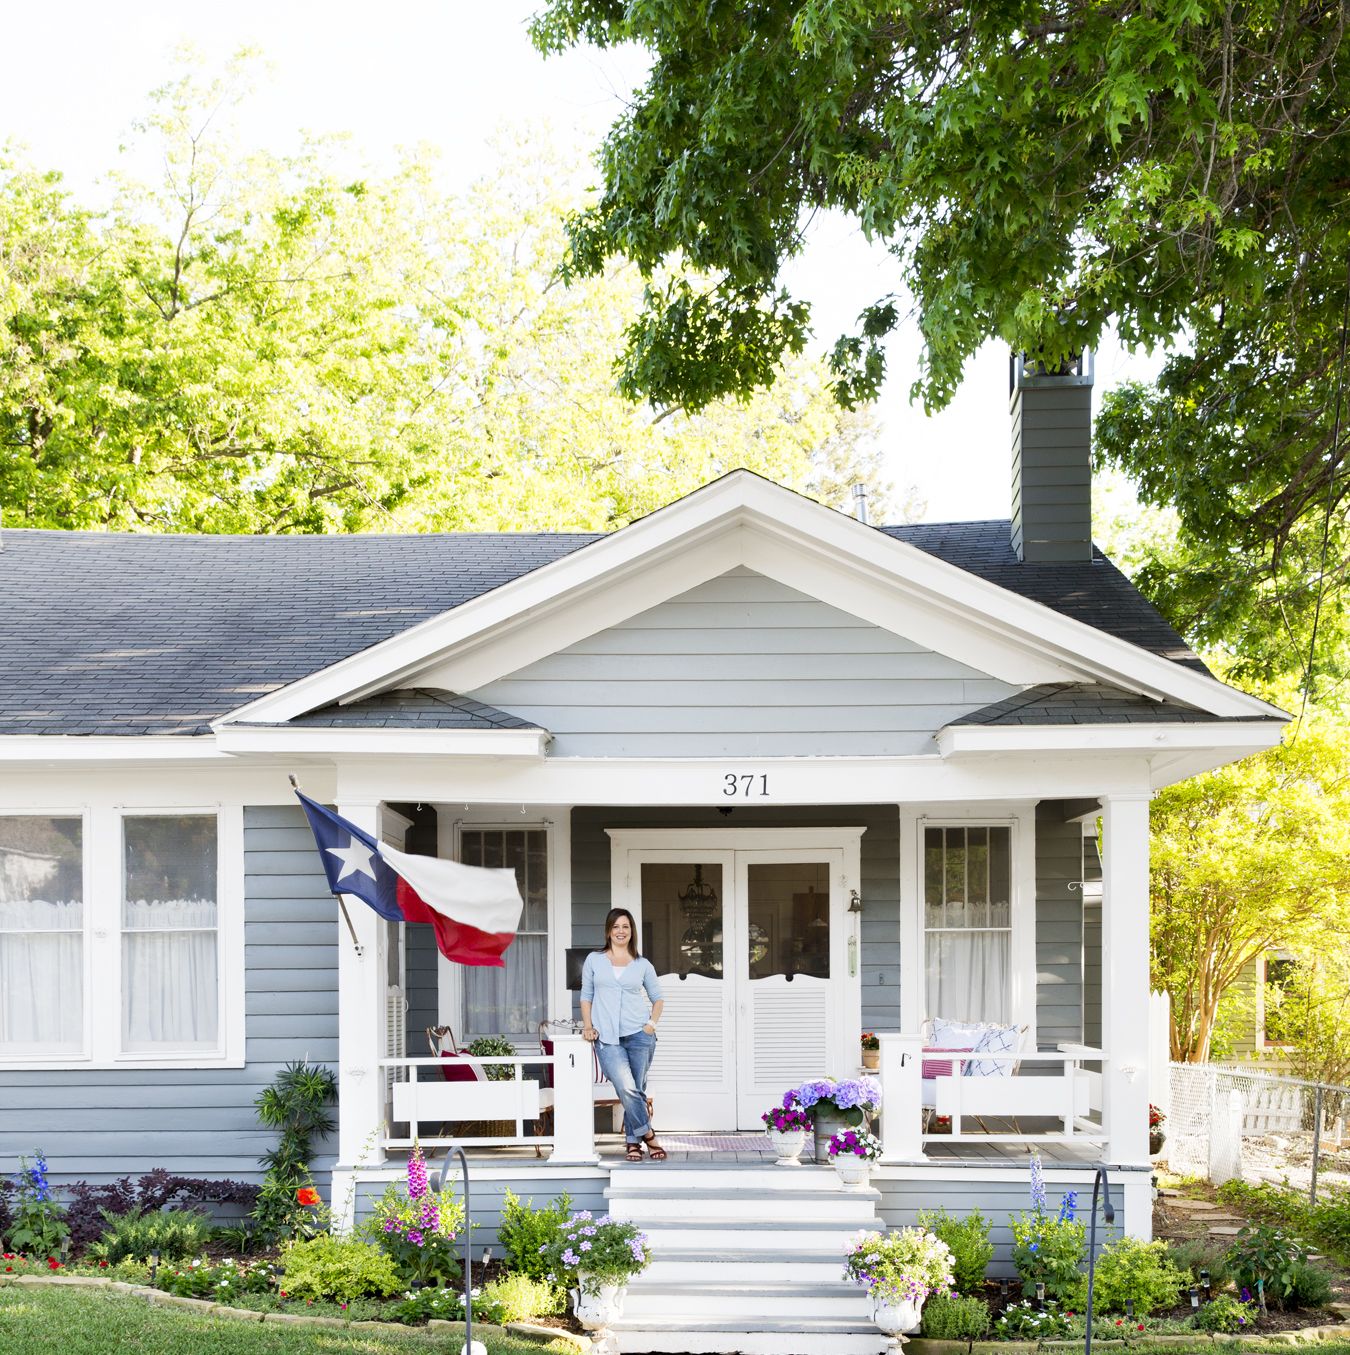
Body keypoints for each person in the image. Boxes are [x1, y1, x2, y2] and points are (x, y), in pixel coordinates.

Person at [581, 907, 666, 1161]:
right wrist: (588, 1025)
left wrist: (651, 1024)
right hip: (606, 1036)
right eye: (616, 926)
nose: (621, 931)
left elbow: (658, 999)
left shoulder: (642, 965)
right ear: (608, 931)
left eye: (626, 927)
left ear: (632, 931)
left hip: (639, 1033)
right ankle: (649, 1136)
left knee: (637, 1088)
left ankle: (632, 1143)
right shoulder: (594, 960)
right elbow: (586, 996)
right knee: (628, 1088)